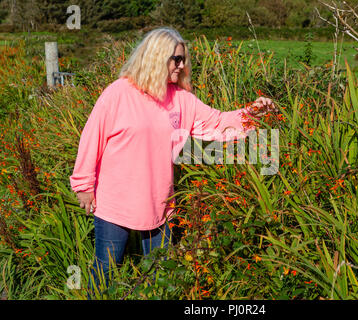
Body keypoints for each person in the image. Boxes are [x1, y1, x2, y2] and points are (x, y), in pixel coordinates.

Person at [69, 27, 276, 297]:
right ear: (155, 57)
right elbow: (91, 137)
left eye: (183, 60)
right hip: (114, 201)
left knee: (161, 276)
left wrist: (253, 112)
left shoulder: (181, 100)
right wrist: (84, 184)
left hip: (159, 201)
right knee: (105, 272)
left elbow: (218, 123)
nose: (181, 65)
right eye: (175, 59)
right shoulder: (118, 93)